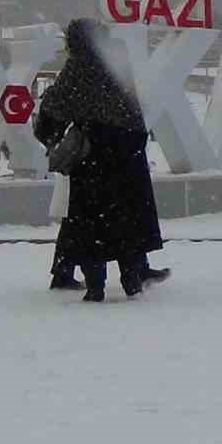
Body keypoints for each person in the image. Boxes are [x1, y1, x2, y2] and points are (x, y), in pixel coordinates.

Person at [34, 19, 168, 302]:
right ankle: (132, 279)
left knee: (90, 221)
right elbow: (133, 105)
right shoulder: (117, 63)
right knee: (127, 216)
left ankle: (96, 286)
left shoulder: (79, 67)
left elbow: (53, 108)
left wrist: (50, 136)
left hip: (96, 155)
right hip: (129, 152)